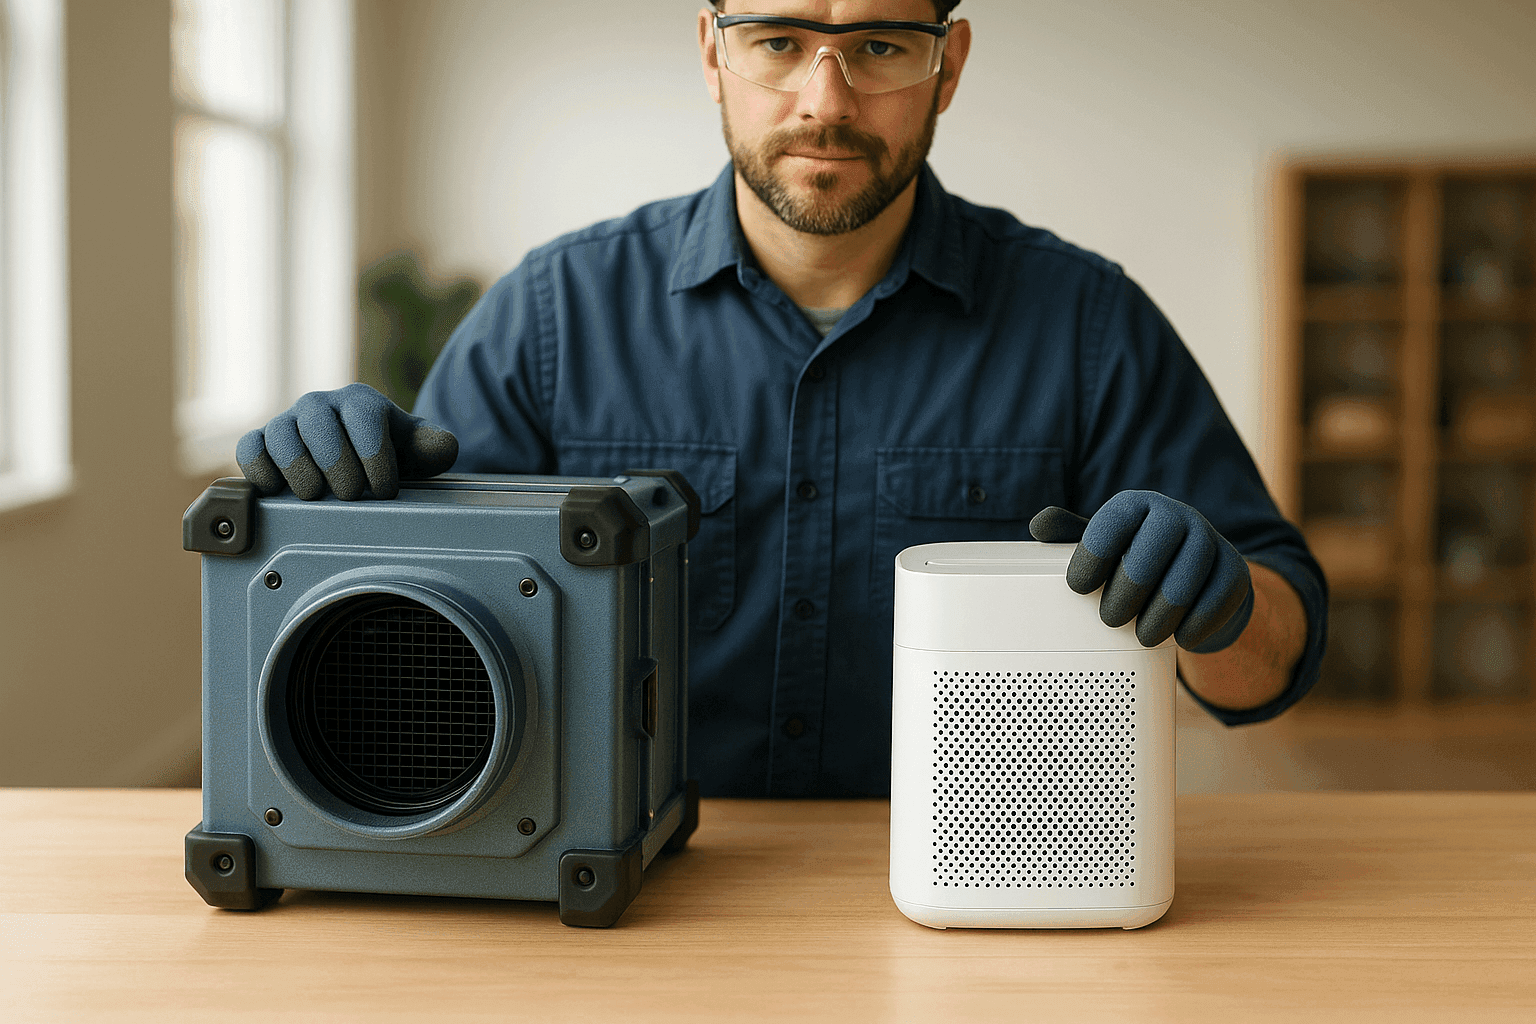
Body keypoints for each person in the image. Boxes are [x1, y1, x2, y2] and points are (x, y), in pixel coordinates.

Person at [237, 0, 1327, 798]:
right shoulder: (554, 311)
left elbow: (1267, 670)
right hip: (627, 888)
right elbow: (411, 636)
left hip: (998, 888)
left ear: (948, 67)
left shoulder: (1090, 323)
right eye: (779, 42)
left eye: (881, 47)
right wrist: (344, 510)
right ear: (712, 54)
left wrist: (1223, 603)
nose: (825, 99)